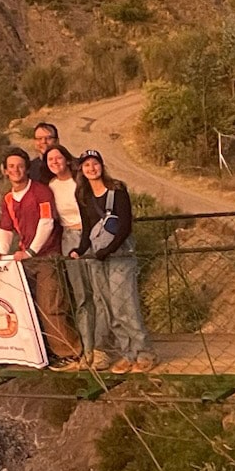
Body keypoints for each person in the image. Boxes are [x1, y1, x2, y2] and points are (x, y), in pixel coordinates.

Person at [70, 150, 156, 373]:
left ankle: (143, 352)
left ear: (102, 165)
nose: (91, 168)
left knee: (125, 304)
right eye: (86, 165)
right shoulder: (83, 196)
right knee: (109, 307)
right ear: (81, 169)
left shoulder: (117, 191)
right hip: (98, 257)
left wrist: (109, 249)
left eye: (95, 163)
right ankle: (127, 353)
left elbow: (125, 226)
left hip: (120, 256)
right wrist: (80, 249)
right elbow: (87, 227)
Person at [0, 148, 82, 368]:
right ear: (4, 170)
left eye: (20, 165)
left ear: (27, 168)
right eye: (11, 166)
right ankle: (38, 351)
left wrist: (31, 251)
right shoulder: (8, 198)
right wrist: (2, 253)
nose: (16, 170)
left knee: (51, 304)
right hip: (24, 259)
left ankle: (70, 352)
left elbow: (47, 223)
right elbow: (6, 228)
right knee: (26, 306)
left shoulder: (41, 192)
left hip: (47, 256)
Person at [44, 143, 105, 368]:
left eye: (58, 158)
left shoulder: (81, 180)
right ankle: (86, 348)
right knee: (81, 296)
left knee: (100, 292)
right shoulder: (50, 186)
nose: (55, 163)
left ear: (67, 159)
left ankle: (101, 347)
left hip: (91, 235)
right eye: (50, 160)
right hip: (69, 239)